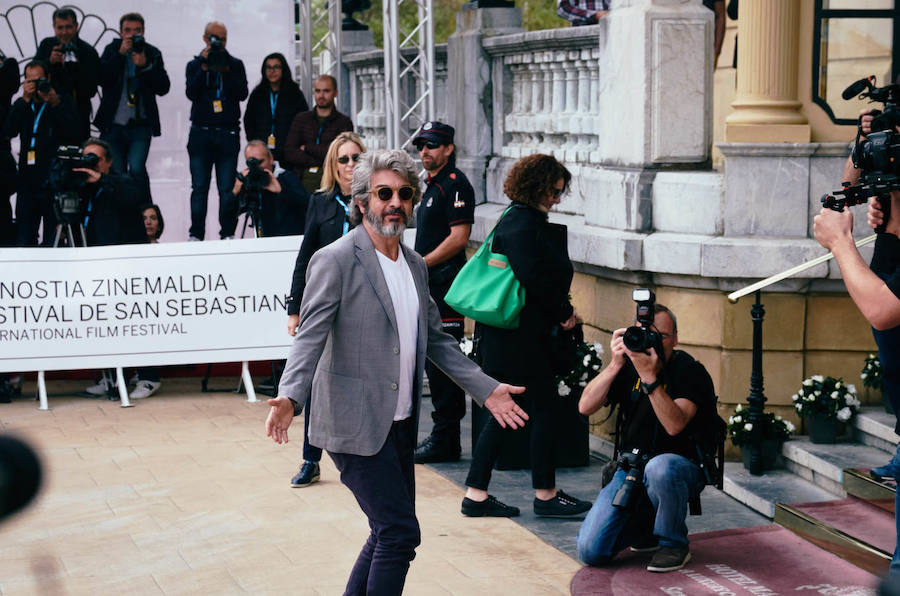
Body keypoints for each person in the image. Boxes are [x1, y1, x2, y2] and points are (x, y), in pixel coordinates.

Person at [265, 149, 529, 594]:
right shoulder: (336, 259)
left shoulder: (413, 264)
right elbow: (310, 335)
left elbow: (437, 342)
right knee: (400, 533)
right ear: (362, 200)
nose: (395, 202)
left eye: (405, 194)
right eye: (383, 193)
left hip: (400, 422)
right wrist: (291, 397)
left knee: (386, 531)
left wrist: (486, 389)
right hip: (354, 423)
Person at [461, 154, 592, 519]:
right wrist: (565, 314)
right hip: (519, 341)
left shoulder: (517, 219)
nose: (557, 198)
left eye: (561, 191)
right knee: (534, 410)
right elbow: (535, 279)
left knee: (512, 413)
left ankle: (481, 492)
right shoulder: (522, 223)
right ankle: (542, 495)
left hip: (512, 338)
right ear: (537, 186)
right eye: (554, 190)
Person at [575, 304, 716, 573]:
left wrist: (650, 378)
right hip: (631, 468)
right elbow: (585, 406)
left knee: (660, 467)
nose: (652, 341)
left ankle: (673, 543)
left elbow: (674, 425)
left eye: (660, 336)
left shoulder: (689, 371)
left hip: (680, 468)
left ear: (675, 338)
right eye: (645, 334)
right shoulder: (628, 366)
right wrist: (615, 365)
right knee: (590, 551)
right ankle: (646, 530)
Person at [283, 131, 365, 488]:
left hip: (365, 302)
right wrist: (294, 307)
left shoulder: (375, 200)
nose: (350, 165)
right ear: (333, 164)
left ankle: (366, 453)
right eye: (343, 159)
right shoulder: (319, 202)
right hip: (325, 304)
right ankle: (310, 459)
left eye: (356, 157)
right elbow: (305, 257)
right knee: (316, 382)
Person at [410, 121, 475, 464]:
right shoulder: (431, 186)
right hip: (430, 286)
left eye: (432, 145)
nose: (425, 151)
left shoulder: (455, 184)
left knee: (444, 364)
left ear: (449, 148)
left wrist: (422, 262)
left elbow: (459, 238)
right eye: (421, 145)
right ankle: (442, 435)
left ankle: (447, 438)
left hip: (446, 287)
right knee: (433, 363)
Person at [94, 12, 171, 204]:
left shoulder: (152, 52)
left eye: (137, 31)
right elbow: (102, 78)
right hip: (115, 124)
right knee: (117, 172)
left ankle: (144, 212)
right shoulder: (112, 49)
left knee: (136, 168)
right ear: (120, 32)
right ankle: (121, 216)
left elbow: (163, 87)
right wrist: (120, 55)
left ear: (143, 32)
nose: (132, 35)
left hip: (140, 124)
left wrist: (145, 66)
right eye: (127, 30)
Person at [2, 60, 79, 246]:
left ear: (49, 78)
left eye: (40, 80)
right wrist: (24, 100)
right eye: (31, 81)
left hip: (52, 181)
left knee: (52, 238)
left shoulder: (61, 100)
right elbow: (8, 132)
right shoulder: (23, 105)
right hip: (27, 181)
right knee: (24, 236)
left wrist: (55, 103)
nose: (36, 86)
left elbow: (74, 132)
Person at [185, 21, 248, 241]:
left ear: (226, 40)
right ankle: (196, 235)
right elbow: (191, 93)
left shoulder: (235, 64)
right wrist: (204, 66)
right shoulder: (195, 64)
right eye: (213, 37)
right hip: (201, 133)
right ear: (205, 38)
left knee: (226, 188)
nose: (217, 42)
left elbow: (242, 93)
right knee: (200, 187)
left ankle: (228, 233)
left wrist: (227, 70)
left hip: (227, 133)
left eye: (221, 38)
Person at [35, 8, 100, 143]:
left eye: (68, 27)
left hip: (77, 117)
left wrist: (76, 66)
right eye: (60, 28)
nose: (64, 32)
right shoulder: (47, 45)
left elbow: (91, 90)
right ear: (54, 27)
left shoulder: (88, 52)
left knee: (76, 161)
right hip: (48, 116)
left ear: (76, 26)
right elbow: (32, 74)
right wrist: (49, 62)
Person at [283, 74, 353, 193]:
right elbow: (289, 152)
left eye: (326, 91)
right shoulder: (301, 119)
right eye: (318, 91)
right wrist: (319, 160)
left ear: (335, 93)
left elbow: (339, 155)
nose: (321, 95)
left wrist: (308, 148)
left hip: (331, 184)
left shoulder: (343, 122)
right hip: (300, 183)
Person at [231, 140, 309, 238]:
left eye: (260, 161)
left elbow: (308, 204)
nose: (257, 167)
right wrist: (236, 190)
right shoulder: (250, 183)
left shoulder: (286, 177)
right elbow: (229, 217)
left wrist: (281, 190)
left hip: (291, 240)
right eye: (251, 163)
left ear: (271, 158)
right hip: (264, 242)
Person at [243, 53, 308, 167]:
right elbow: (248, 120)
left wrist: (296, 144)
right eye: (268, 67)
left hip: (288, 150)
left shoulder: (295, 93)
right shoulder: (257, 94)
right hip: (263, 150)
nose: (272, 71)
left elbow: (303, 121)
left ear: (284, 70)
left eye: (276, 67)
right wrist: (255, 143)